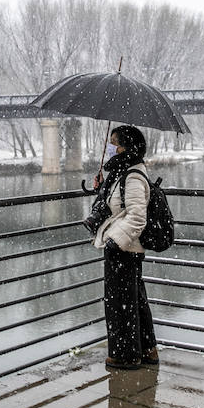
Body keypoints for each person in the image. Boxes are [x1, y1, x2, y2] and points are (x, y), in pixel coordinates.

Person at [85, 124, 159, 369]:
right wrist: (102, 188)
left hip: (125, 249)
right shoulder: (122, 173)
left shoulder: (134, 176)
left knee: (120, 304)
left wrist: (115, 242)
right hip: (125, 248)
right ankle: (147, 350)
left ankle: (126, 356)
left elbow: (137, 217)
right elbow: (118, 207)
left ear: (126, 147)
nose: (110, 147)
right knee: (134, 300)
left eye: (114, 143)